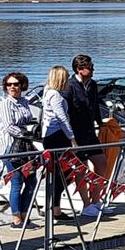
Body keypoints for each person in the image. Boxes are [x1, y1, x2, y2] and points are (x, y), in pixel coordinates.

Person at [62, 54, 106, 219]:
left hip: (90, 132)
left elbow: (95, 106)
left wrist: (100, 123)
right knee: (81, 167)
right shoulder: (70, 86)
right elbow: (65, 111)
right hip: (76, 133)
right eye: (90, 68)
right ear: (79, 70)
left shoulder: (93, 85)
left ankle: (96, 201)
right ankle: (86, 204)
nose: (93, 70)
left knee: (101, 163)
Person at [0, 71, 38, 228]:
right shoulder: (6, 103)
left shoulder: (24, 102)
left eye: (15, 84)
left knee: (31, 181)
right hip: (11, 148)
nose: (12, 87)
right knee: (16, 182)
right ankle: (16, 219)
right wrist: (26, 133)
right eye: (9, 84)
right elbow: (9, 126)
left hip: (26, 148)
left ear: (22, 85)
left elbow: (29, 120)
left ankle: (24, 214)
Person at [40, 65, 79, 219]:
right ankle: (55, 209)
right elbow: (61, 117)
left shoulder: (46, 91)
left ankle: (52, 206)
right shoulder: (55, 95)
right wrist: (72, 138)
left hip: (50, 135)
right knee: (62, 173)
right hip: (57, 136)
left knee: (57, 173)